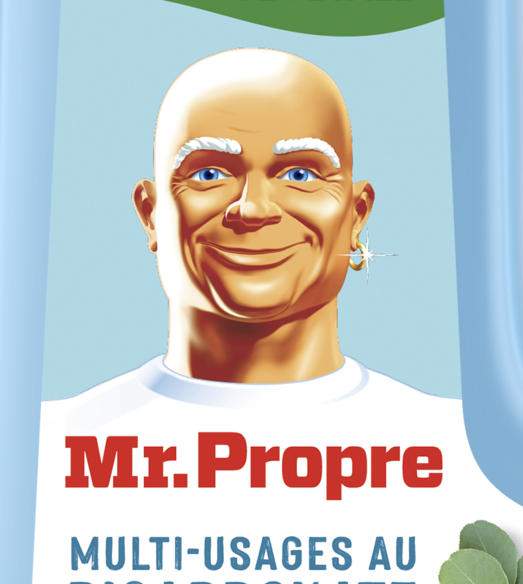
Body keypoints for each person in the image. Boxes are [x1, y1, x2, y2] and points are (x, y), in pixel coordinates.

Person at [132, 47, 375, 384]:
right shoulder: (71, 420)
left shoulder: (437, 420)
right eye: (209, 174)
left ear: (356, 215)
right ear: (151, 215)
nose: (252, 209)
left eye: (300, 175)